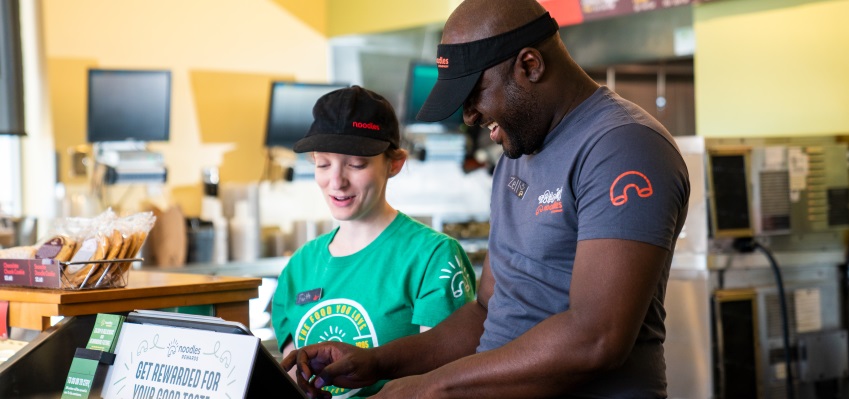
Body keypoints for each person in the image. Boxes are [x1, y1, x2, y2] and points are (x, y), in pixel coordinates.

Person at [282, 0, 690, 397]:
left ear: (530, 65)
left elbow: (595, 338)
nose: (470, 117)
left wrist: (431, 387)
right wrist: (377, 363)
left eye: (475, 93)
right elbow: (485, 311)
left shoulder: (623, 146)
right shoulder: (517, 152)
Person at [271, 85, 477, 398]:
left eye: (356, 164)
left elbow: (445, 381)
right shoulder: (299, 266)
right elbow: (296, 378)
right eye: (323, 163)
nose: (336, 181)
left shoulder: (433, 257)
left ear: (394, 163)